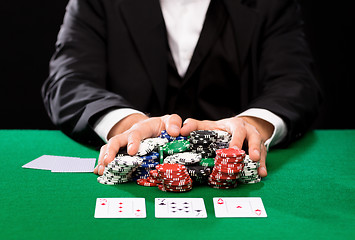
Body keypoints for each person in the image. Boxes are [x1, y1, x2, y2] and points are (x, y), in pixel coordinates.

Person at [42, 0, 322, 177]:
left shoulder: (272, 4)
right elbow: (68, 80)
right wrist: (129, 125)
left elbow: (296, 82)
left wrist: (252, 125)